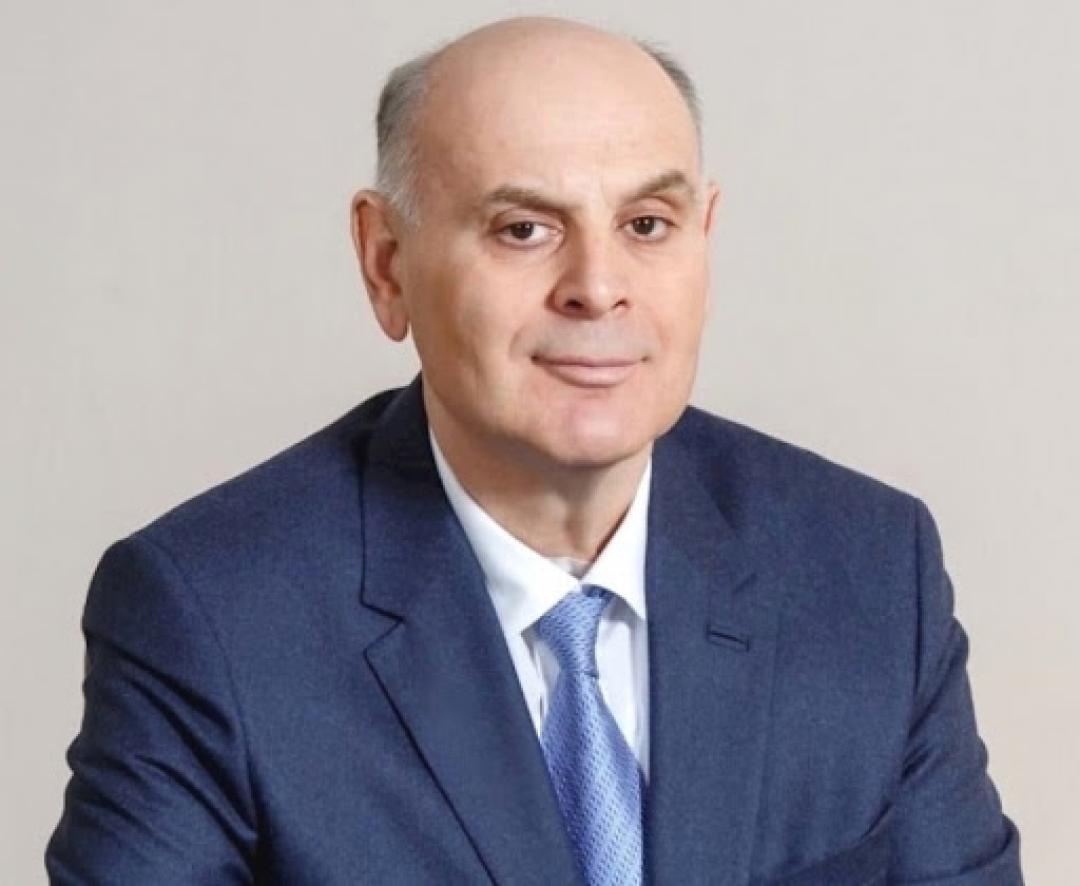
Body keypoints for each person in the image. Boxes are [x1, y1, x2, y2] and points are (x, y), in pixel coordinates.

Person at [46, 15, 1022, 885]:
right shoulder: (210, 615)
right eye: (523, 229)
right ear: (386, 263)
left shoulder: (868, 568)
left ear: (705, 238)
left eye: (647, 225)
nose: (598, 285)